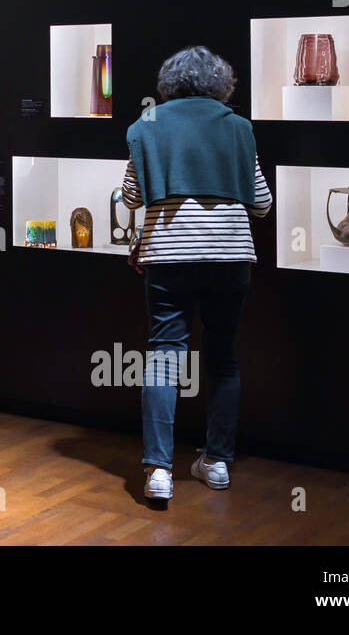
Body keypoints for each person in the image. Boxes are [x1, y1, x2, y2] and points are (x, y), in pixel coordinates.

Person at [120, 46, 272, 502]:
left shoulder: (148, 125)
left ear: (168, 83)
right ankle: (218, 462)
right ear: (221, 84)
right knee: (223, 357)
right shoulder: (238, 128)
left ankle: (159, 470)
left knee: (164, 357)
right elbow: (261, 203)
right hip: (230, 259)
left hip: (169, 257)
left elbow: (130, 197)